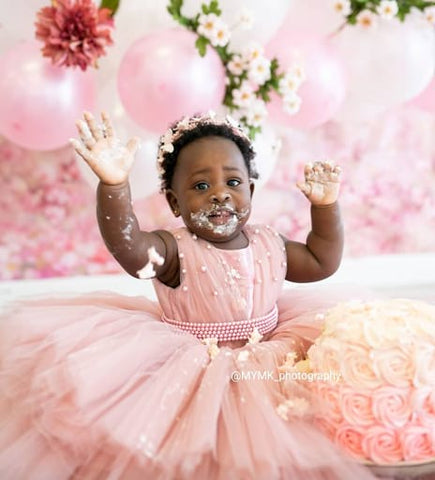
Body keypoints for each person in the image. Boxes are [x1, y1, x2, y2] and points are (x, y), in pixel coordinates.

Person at [0, 111, 375, 479]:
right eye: (200, 186)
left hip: (270, 362)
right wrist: (114, 186)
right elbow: (132, 251)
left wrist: (325, 208)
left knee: (293, 433)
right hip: (189, 368)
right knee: (197, 450)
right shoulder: (172, 250)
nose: (219, 195)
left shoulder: (269, 242)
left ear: (251, 190)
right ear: (175, 203)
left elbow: (320, 260)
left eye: (232, 182)